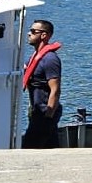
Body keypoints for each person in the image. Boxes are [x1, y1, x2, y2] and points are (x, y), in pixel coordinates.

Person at [21, 19, 62, 148]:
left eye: (33, 31)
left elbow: (55, 90)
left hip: (45, 113)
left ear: (44, 35)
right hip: (36, 111)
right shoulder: (35, 56)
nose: (29, 33)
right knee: (50, 147)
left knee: (30, 147)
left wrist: (48, 117)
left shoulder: (50, 60)